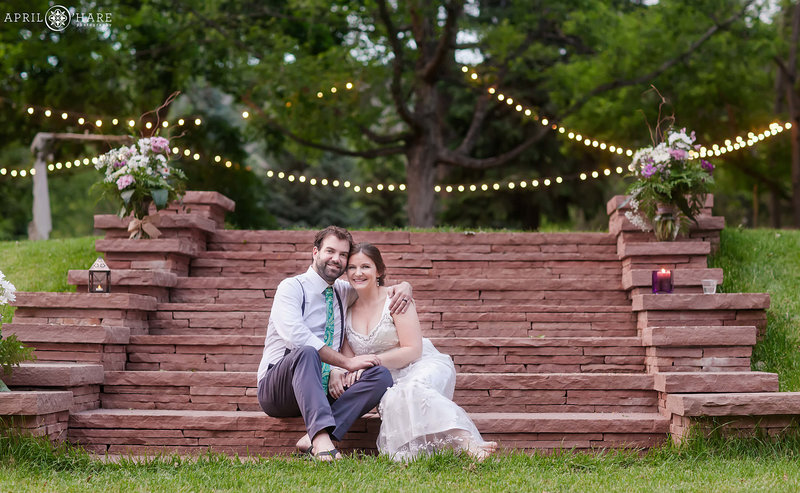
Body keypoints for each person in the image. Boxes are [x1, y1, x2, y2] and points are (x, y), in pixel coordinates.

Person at [256, 226, 413, 461]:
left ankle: (312, 438)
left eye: (342, 254)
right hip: (280, 388)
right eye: (330, 251)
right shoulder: (291, 288)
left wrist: (404, 286)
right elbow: (296, 337)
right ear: (315, 252)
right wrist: (343, 363)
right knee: (306, 352)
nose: (336, 259)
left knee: (380, 375)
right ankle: (320, 439)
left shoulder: (342, 291)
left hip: (323, 389)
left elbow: (373, 287)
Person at [340, 242, 498, 461]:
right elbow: (350, 360)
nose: (358, 273)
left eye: (365, 266)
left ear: (379, 271)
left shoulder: (396, 300)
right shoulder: (345, 310)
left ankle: (469, 443)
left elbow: (413, 350)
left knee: (412, 389)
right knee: (394, 397)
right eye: (351, 268)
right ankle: (461, 448)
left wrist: (370, 362)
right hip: (387, 378)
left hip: (421, 363)